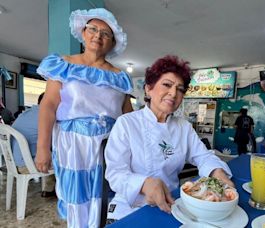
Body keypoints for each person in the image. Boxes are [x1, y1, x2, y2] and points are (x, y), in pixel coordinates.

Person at [34, 8, 133, 228]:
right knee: (77, 198)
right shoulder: (63, 64)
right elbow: (48, 106)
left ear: (113, 42)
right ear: (83, 32)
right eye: (93, 29)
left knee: (105, 197)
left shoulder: (120, 77)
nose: (98, 35)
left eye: (106, 33)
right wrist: (43, 148)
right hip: (73, 145)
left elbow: (128, 116)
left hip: (110, 147)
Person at [105, 55, 233, 223]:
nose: (173, 93)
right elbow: (115, 173)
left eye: (180, 89)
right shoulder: (127, 123)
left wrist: (217, 172)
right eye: (167, 84)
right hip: (129, 208)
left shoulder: (183, 127)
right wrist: (143, 184)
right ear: (148, 89)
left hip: (171, 205)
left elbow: (203, 156)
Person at [12, 93, 56, 197]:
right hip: (26, 165)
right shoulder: (46, 116)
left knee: (47, 152)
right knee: (65, 158)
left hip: (13, 162)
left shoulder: (26, 113)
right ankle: (64, 193)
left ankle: (48, 189)